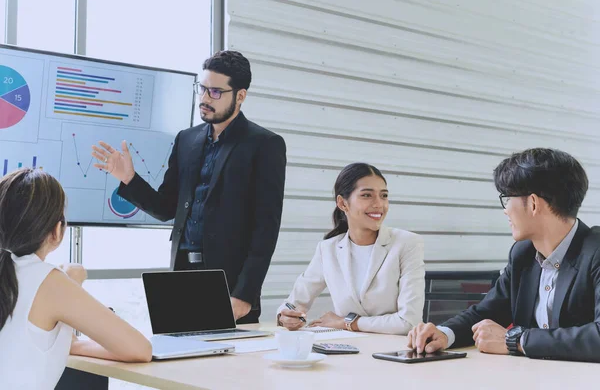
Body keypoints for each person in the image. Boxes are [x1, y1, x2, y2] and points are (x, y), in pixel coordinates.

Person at [92, 50, 287, 324]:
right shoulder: (186, 139)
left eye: (216, 92)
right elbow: (165, 208)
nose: (206, 98)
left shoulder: (264, 144)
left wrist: (245, 294)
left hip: (229, 284)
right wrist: (129, 179)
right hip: (181, 275)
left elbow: (266, 228)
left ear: (240, 96)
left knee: (226, 364)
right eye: (203, 89)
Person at [408, 148, 600, 363]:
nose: (505, 210)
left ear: (534, 203)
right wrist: (445, 333)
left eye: (507, 199)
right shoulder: (523, 254)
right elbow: (487, 311)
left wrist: (517, 340)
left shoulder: (596, 251)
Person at [0, 168, 151, 390]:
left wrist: (72, 344)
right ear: (57, 230)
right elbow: (140, 350)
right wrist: (71, 281)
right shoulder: (49, 281)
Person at [277, 163, 425, 335]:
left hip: (395, 351)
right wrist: (286, 316)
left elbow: (408, 322)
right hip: (346, 349)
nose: (379, 204)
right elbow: (293, 303)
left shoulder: (407, 243)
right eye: (367, 195)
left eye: (383, 196)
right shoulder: (328, 249)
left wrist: (347, 323)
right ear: (342, 203)